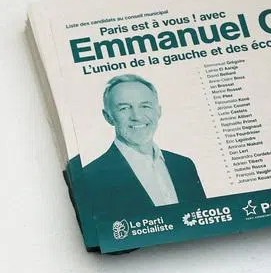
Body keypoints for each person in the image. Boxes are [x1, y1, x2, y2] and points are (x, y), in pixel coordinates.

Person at [78, 75, 205, 219]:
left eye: (145, 106)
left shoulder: (184, 165)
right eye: (124, 108)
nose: (137, 116)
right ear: (108, 116)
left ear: (158, 111)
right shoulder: (89, 178)